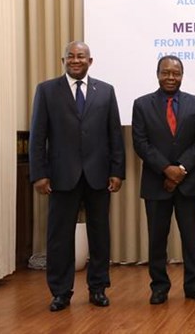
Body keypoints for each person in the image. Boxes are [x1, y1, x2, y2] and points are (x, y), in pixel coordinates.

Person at [29, 41, 125, 312]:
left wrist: (117, 171)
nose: (75, 60)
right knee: (59, 237)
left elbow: (114, 135)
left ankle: (98, 288)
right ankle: (60, 292)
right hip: (60, 176)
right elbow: (38, 136)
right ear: (64, 60)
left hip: (98, 176)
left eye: (80, 56)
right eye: (70, 56)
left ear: (90, 61)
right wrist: (39, 174)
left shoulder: (106, 91)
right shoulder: (47, 90)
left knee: (100, 234)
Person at [132, 55, 195, 305]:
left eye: (175, 73)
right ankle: (159, 287)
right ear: (157, 74)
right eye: (166, 73)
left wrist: (180, 169)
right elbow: (140, 143)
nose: (170, 77)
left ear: (182, 75)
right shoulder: (142, 104)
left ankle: (194, 285)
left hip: (188, 182)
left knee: (191, 238)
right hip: (156, 182)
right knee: (157, 238)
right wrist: (166, 169)